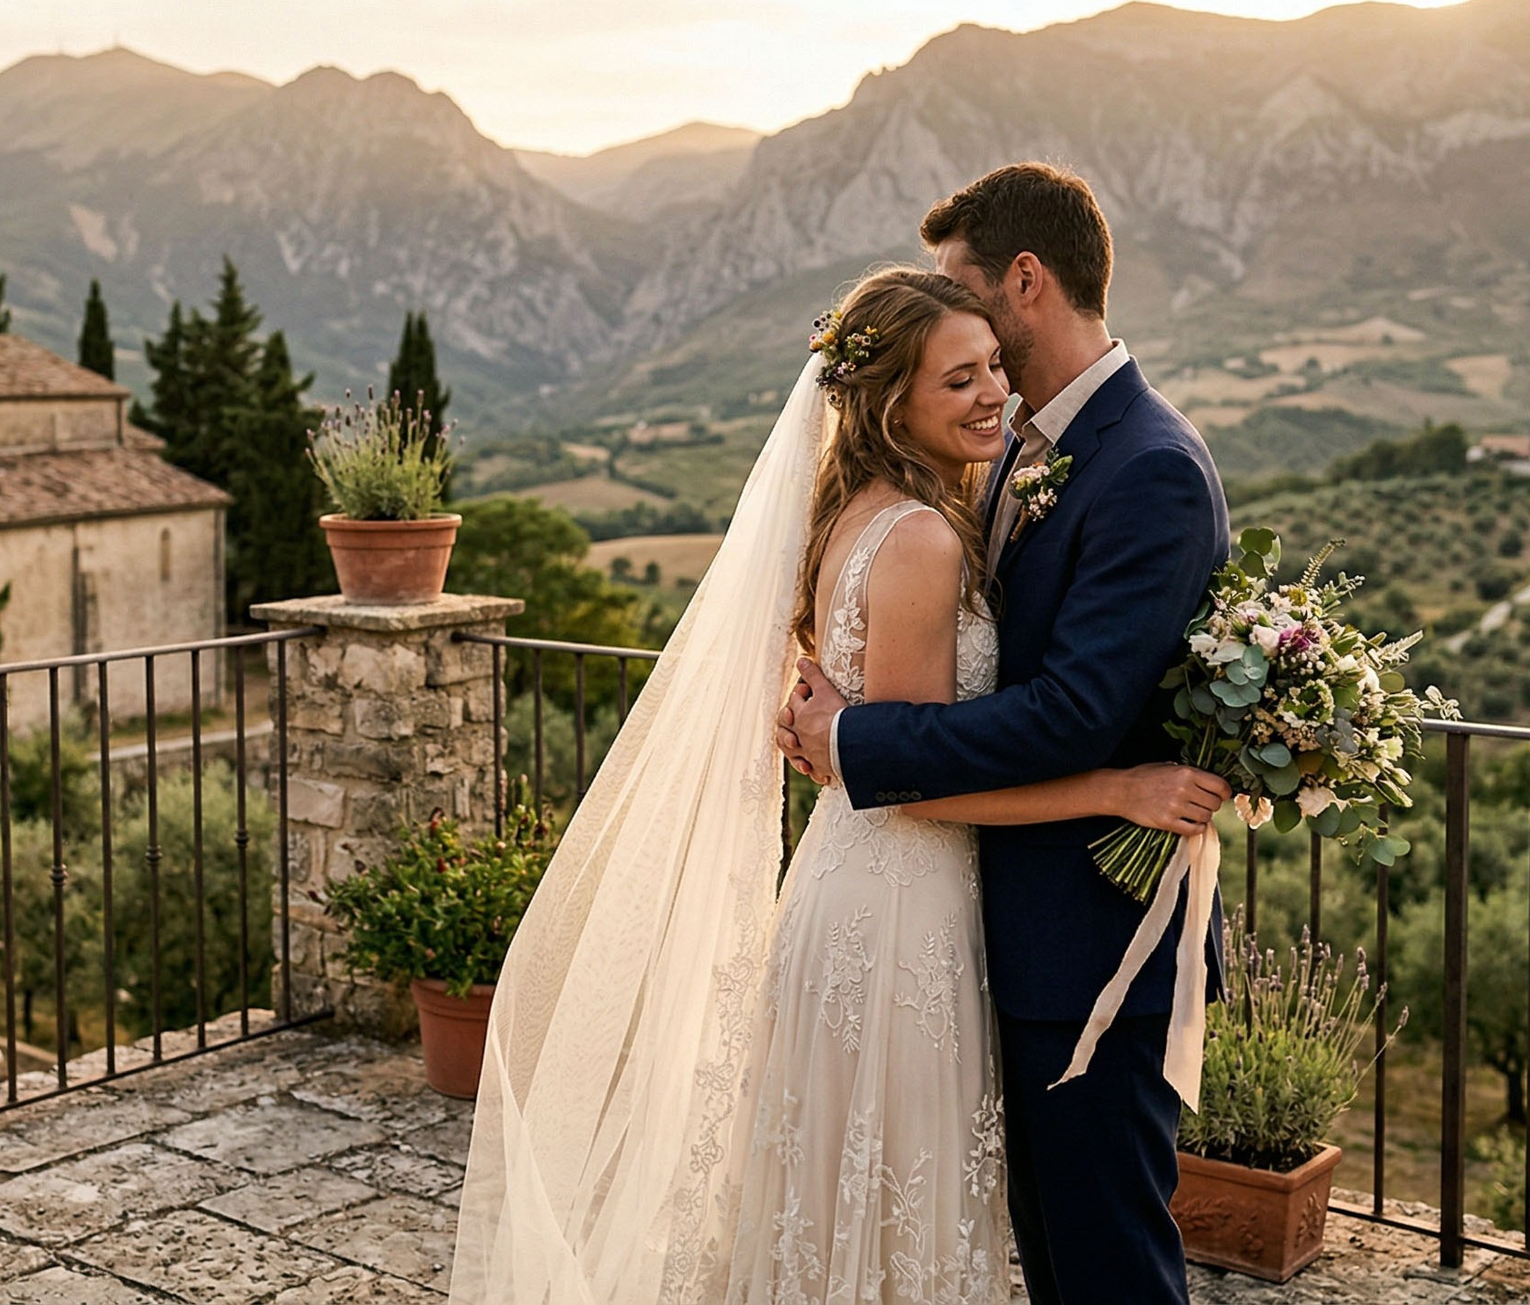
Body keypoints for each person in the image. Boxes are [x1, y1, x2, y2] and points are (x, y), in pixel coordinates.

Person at [451, 239, 1227, 1302]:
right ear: (888, 404)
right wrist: (1114, 788)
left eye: (992, 365)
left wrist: (849, 743)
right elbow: (918, 779)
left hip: (869, 892)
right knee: (885, 1212)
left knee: (848, 1206)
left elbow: (892, 748)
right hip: (896, 907)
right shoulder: (920, 538)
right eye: (960, 378)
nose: (993, 391)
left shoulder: (877, 508)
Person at [778, 162, 1233, 1304]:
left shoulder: (1149, 467)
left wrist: (861, 745)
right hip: (981, 931)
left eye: (966, 293)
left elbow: (1073, 711)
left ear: (1024, 280)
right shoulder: (1017, 452)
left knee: (1106, 1265)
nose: (965, 332)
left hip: (1088, 947)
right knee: (1042, 1252)